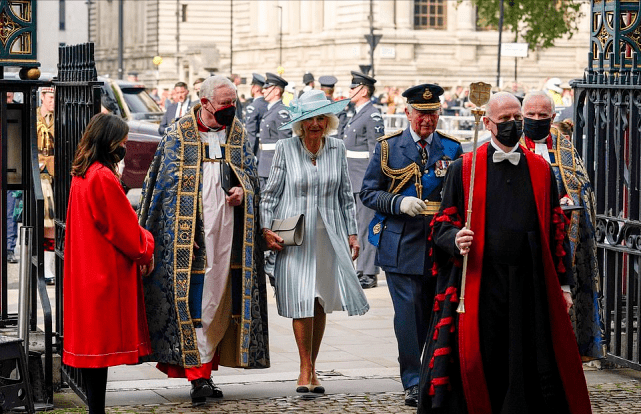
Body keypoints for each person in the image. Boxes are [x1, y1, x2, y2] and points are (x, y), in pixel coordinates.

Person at [418, 92, 591, 413]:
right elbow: (441, 226)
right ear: (487, 123)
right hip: (481, 285)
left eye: (517, 119)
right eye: (504, 120)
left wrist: (564, 285)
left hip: (529, 288)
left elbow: (556, 231)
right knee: (481, 359)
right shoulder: (464, 169)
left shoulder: (540, 169)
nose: (513, 125)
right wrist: (456, 238)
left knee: (527, 361)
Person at [138, 76, 269, 405]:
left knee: (220, 302)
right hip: (191, 241)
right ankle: (197, 377)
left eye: (235, 102)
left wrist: (243, 191)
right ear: (206, 102)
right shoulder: (179, 133)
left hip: (228, 236)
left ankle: (207, 371)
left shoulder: (237, 132)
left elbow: (251, 177)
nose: (232, 109)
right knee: (195, 305)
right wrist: (177, 232)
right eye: (226, 103)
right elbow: (163, 188)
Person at [260, 89, 369, 394]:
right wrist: (266, 230)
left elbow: (346, 196)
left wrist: (351, 233)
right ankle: (304, 367)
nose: (316, 123)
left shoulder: (336, 148)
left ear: (329, 120)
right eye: (309, 118)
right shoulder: (285, 149)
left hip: (328, 235)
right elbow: (270, 195)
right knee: (300, 299)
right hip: (294, 236)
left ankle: (313, 367)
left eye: (321, 117)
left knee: (319, 300)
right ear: (300, 123)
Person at [360, 84, 463, 407]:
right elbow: (369, 193)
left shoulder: (451, 148)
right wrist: (398, 202)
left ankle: (436, 375)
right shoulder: (389, 148)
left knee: (439, 312)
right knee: (407, 316)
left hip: (441, 244)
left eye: (432, 114)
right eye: (421, 114)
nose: (427, 121)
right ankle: (414, 380)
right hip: (401, 242)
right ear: (408, 113)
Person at [63, 113, 155, 414]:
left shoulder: (84, 173)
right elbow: (123, 227)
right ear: (109, 142)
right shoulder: (102, 176)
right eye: (122, 142)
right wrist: (147, 247)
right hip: (102, 271)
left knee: (92, 351)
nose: (124, 148)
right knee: (99, 350)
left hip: (86, 270)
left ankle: (96, 409)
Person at [521, 91, 604, 360]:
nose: (535, 120)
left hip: (564, 238)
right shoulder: (514, 146)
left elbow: (583, 186)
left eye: (542, 116)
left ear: (553, 117)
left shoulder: (565, 147)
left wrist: (570, 198)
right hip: (525, 241)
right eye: (530, 115)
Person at [342, 71, 385, 289]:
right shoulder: (356, 113)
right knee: (356, 227)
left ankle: (369, 272)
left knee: (367, 226)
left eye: (352, 88)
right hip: (352, 177)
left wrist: (373, 182)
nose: (349, 92)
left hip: (364, 180)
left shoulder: (372, 115)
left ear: (363, 90)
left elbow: (375, 153)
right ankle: (360, 269)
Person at [36, 86, 56, 284]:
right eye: (50, 97)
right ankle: (40, 266)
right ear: (42, 97)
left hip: (54, 175)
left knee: (52, 224)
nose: (53, 101)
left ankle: (48, 269)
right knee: (40, 223)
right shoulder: (33, 117)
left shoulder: (59, 119)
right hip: (39, 177)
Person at [244, 73, 268, 157]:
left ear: (256, 88)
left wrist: (249, 153)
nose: (251, 88)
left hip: (256, 148)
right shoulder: (269, 105)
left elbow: (251, 132)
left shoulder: (253, 107)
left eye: (252, 86)